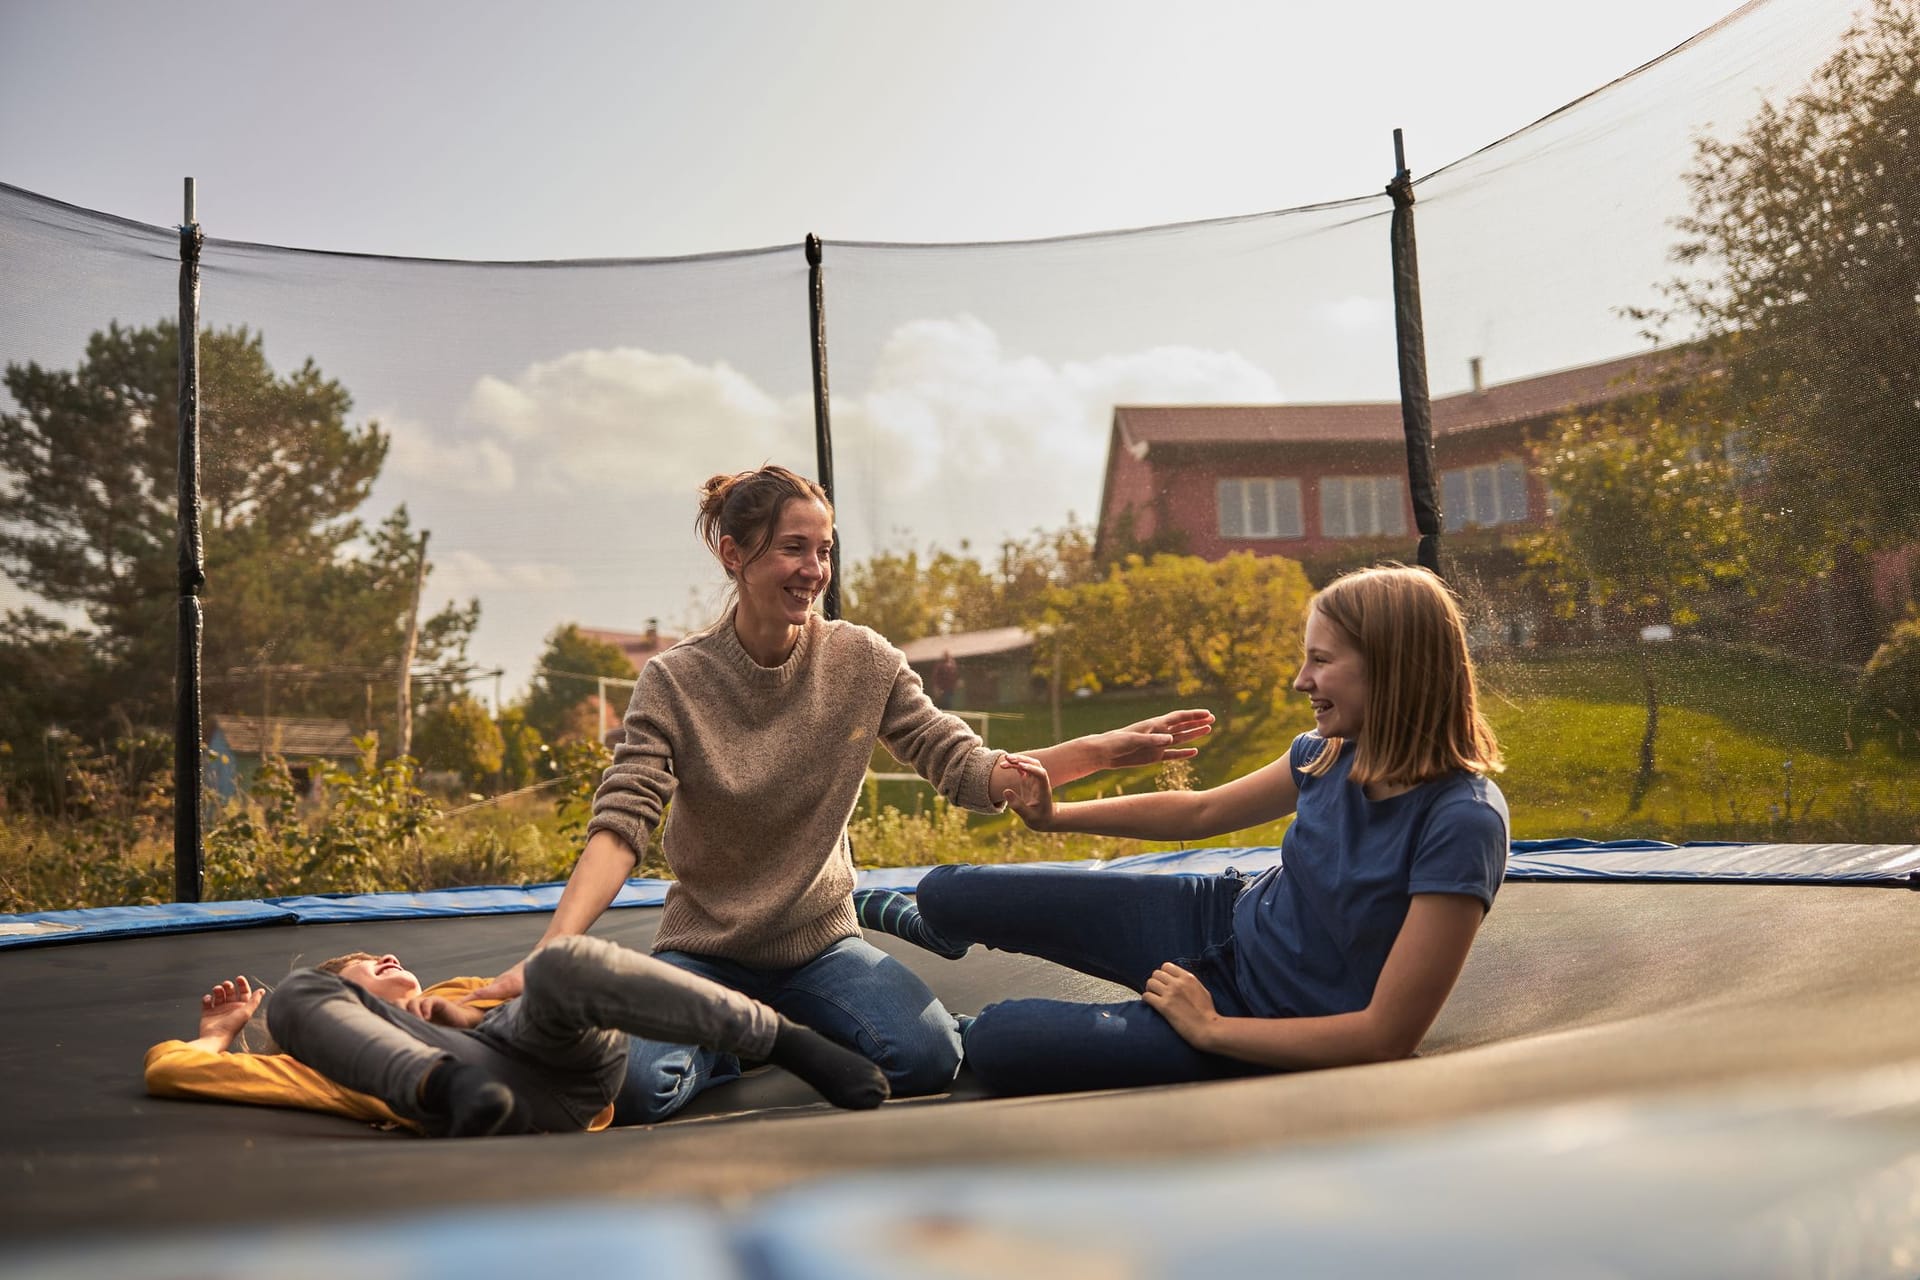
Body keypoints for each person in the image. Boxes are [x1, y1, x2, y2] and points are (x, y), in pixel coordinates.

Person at [469, 464, 1211, 1122]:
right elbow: (621, 825)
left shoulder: (860, 660)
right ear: (735, 554)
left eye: (823, 550)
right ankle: (742, 1035)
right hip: (707, 951)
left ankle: (769, 1019)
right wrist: (554, 948)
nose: (813, 568)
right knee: (636, 1091)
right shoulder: (674, 681)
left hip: (820, 942)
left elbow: (965, 766)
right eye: (794, 547)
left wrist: (1105, 748)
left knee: (925, 1061)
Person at [866, 564, 1509, 1096]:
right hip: (1216, 918)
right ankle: (941, 933)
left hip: (1255, 1017)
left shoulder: (1463, 821)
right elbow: (1199, 812)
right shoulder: (1328, 752)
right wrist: (1054, 817)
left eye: (1320, 661)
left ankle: (972, 1027)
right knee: (950, 891)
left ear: (1391, 668)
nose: (1300, 681)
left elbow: (1385, 1037)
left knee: (1001, 1040)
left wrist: (1210, 1031)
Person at [147, 937, 888, 1137]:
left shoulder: (456, 991)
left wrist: (464, 1017)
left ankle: (786, 1040)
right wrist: (217, 1034)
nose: (390, 959)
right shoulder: (321, 1054)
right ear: (355, 998)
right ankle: (449, 1085)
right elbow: (173, 1073)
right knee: (297, 989)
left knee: (560, 960)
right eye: (370, 965)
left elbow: (558, 997)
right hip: (461, 1092)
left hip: (556, 1064)